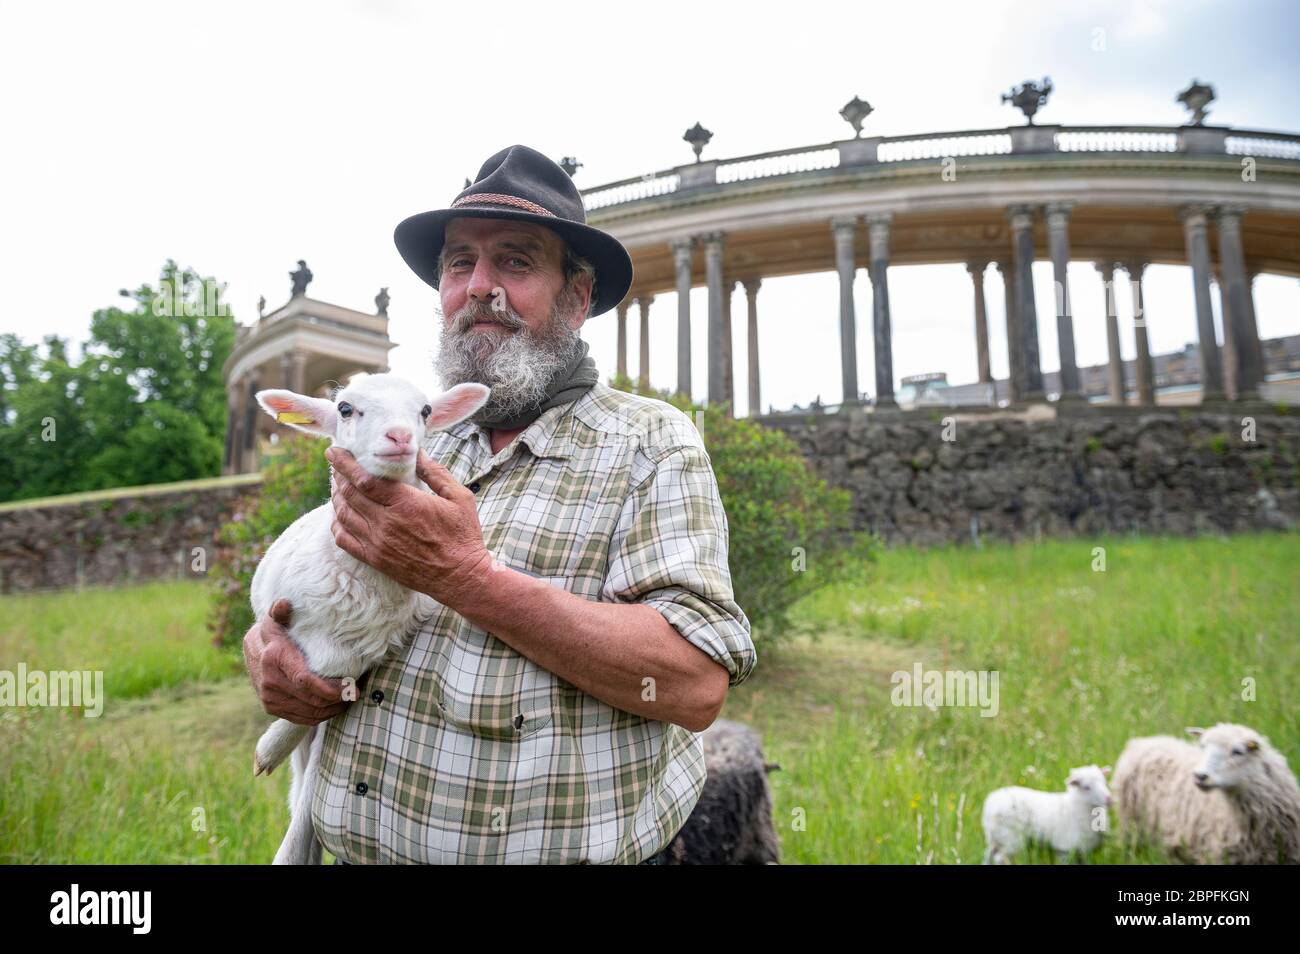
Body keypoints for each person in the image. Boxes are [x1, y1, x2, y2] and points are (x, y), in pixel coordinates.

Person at [242, 144, 756, 864]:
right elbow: (311, 591)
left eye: (515, 261)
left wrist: (467, 580)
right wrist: (268, 648)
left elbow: (695, 684)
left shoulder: (652, 444)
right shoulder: (402, 437)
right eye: (459, 263)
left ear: (576, 297)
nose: (479, 286)